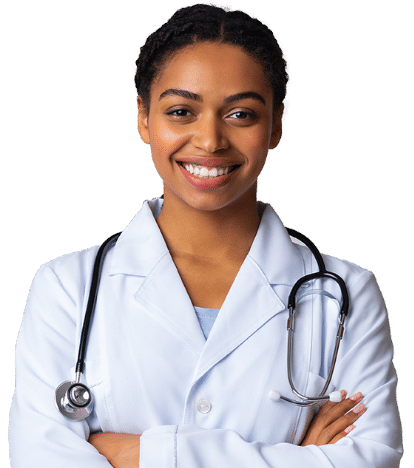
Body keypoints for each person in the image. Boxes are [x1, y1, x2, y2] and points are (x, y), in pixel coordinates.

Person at [9, 3, 403, 467]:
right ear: (143, 119)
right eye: (181, 111)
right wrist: (295, 457)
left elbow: (369, 460)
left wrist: (137, 453)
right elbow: (42, 459)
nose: (210, 140)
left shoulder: (347, 294)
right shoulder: (66, 287)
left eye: (241, 115)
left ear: (276, 125)